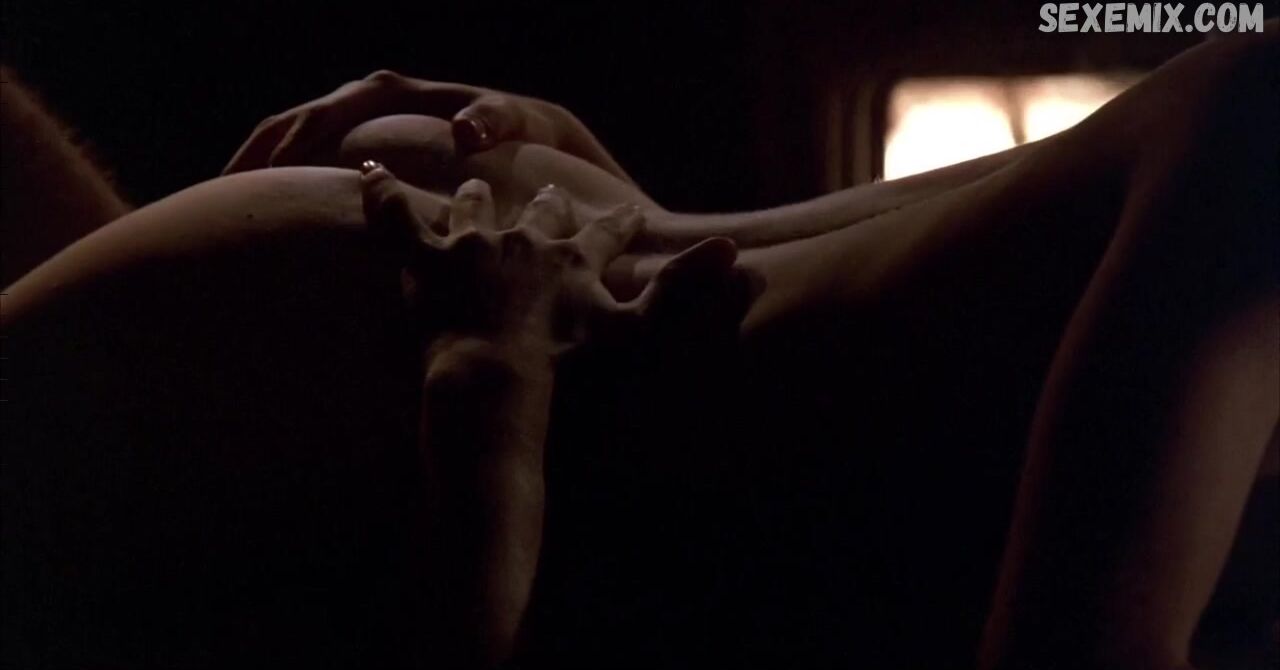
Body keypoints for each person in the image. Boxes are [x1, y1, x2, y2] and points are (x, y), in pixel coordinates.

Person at [4, 22, 1277, 670]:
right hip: (350, 384)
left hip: (422, 463)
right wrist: (602, 191)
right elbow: (855, 313)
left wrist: (492, 393)